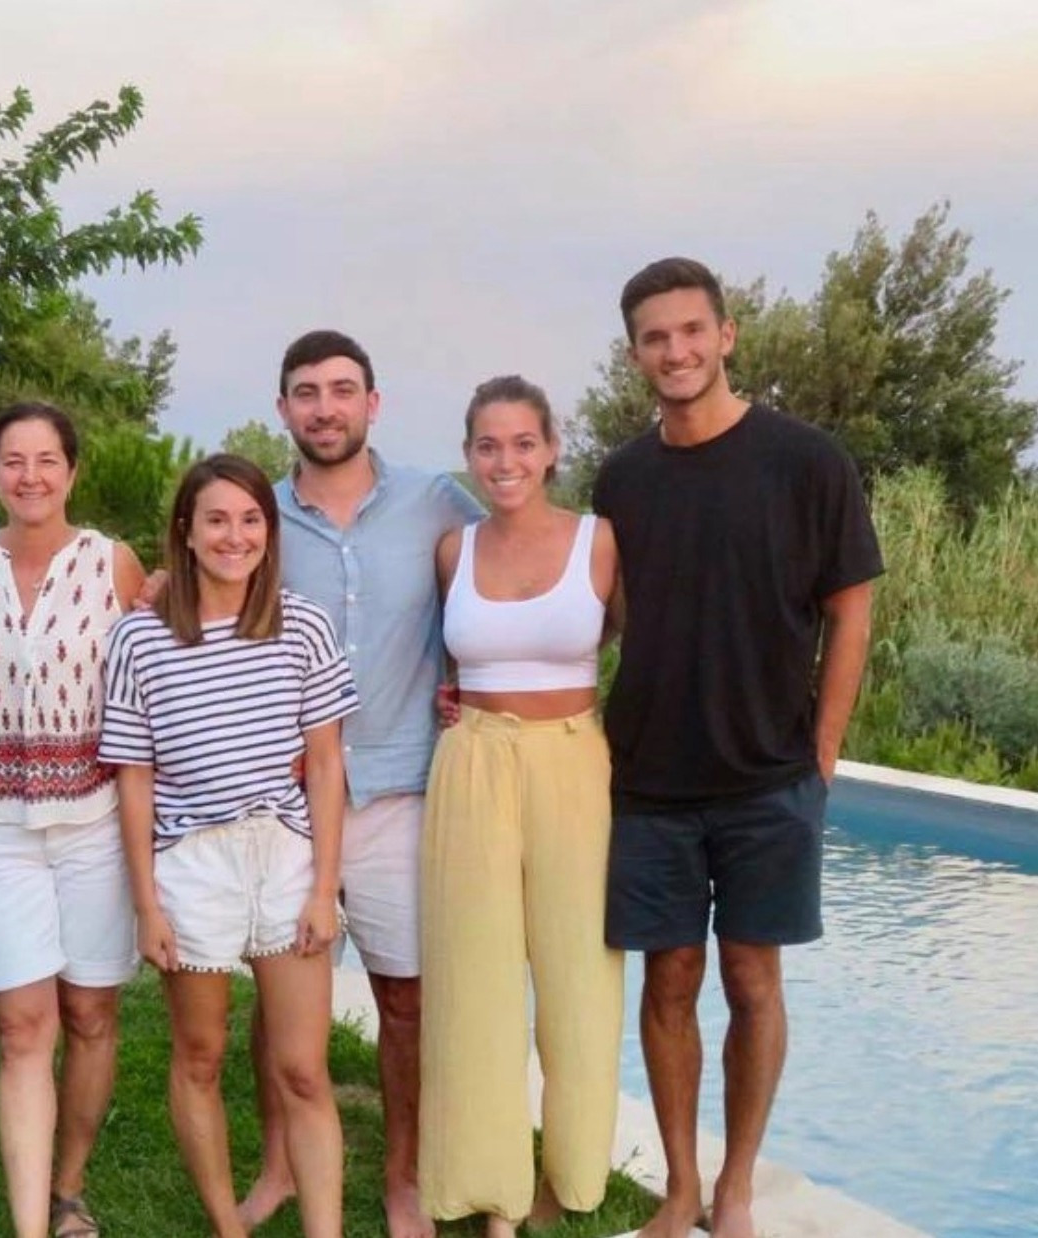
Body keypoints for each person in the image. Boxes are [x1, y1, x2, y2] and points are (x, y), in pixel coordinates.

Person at [595, 257, 881, 1238]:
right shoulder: (622, 478)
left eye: (689, 330)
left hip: (768, 776)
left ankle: (738, 1183)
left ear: (725, 335)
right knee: (667, 980)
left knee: (752, 979)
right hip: (650, 777)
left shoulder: (807, 462)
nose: (673, 351)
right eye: (653, 337)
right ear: (635, 352)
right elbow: (603, 613)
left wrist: (823, 751)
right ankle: (679, 1189)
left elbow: (850, 610)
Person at [248, 329, 479, 1238]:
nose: (324, 407)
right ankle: (277, 1165)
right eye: (305, 392)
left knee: (406, 998)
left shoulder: (435, 503)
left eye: (342, 390)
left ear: (372, 403)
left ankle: (403, 1179)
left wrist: (481, 680)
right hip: (286, 799)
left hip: (397, 791)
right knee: (279, 1001)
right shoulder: (255, 515)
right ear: (283, 410)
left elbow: (508, 577)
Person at [100, 454, 358, 1238]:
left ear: (268, 533)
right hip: (191, 864)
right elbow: (134, 780)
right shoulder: (140, 638)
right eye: (215, 518)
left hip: (282, 855)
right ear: (185, 530)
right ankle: (227, 1225)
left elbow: (323, 762)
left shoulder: (300, 623)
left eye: (250, 519)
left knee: (303, 1071)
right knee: (201, 1055)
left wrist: (323, 888)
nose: (233, 535)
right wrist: (147, 906)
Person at [421, 376, 623, 1237]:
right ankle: (488, 1192)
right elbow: (449, 656)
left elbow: (623, 636)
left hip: (574, 764)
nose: (505, 461)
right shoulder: (450, 550)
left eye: (522, 444)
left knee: (580, 979)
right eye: (487, 446)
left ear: (550, 449)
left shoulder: (600, 541)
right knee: (473, 979)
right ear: (468, 455)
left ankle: (567, 1180)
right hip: (470, 762)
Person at [0, 402, 146, 1238]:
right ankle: (32, 1227)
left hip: (95, 822)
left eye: (46, 460)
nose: (29, 476)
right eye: (12, 461)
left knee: (91, 1016)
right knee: (21, 1024)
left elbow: (152, 678)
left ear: (72, 470)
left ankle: (69, 1191)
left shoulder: (115, 565)